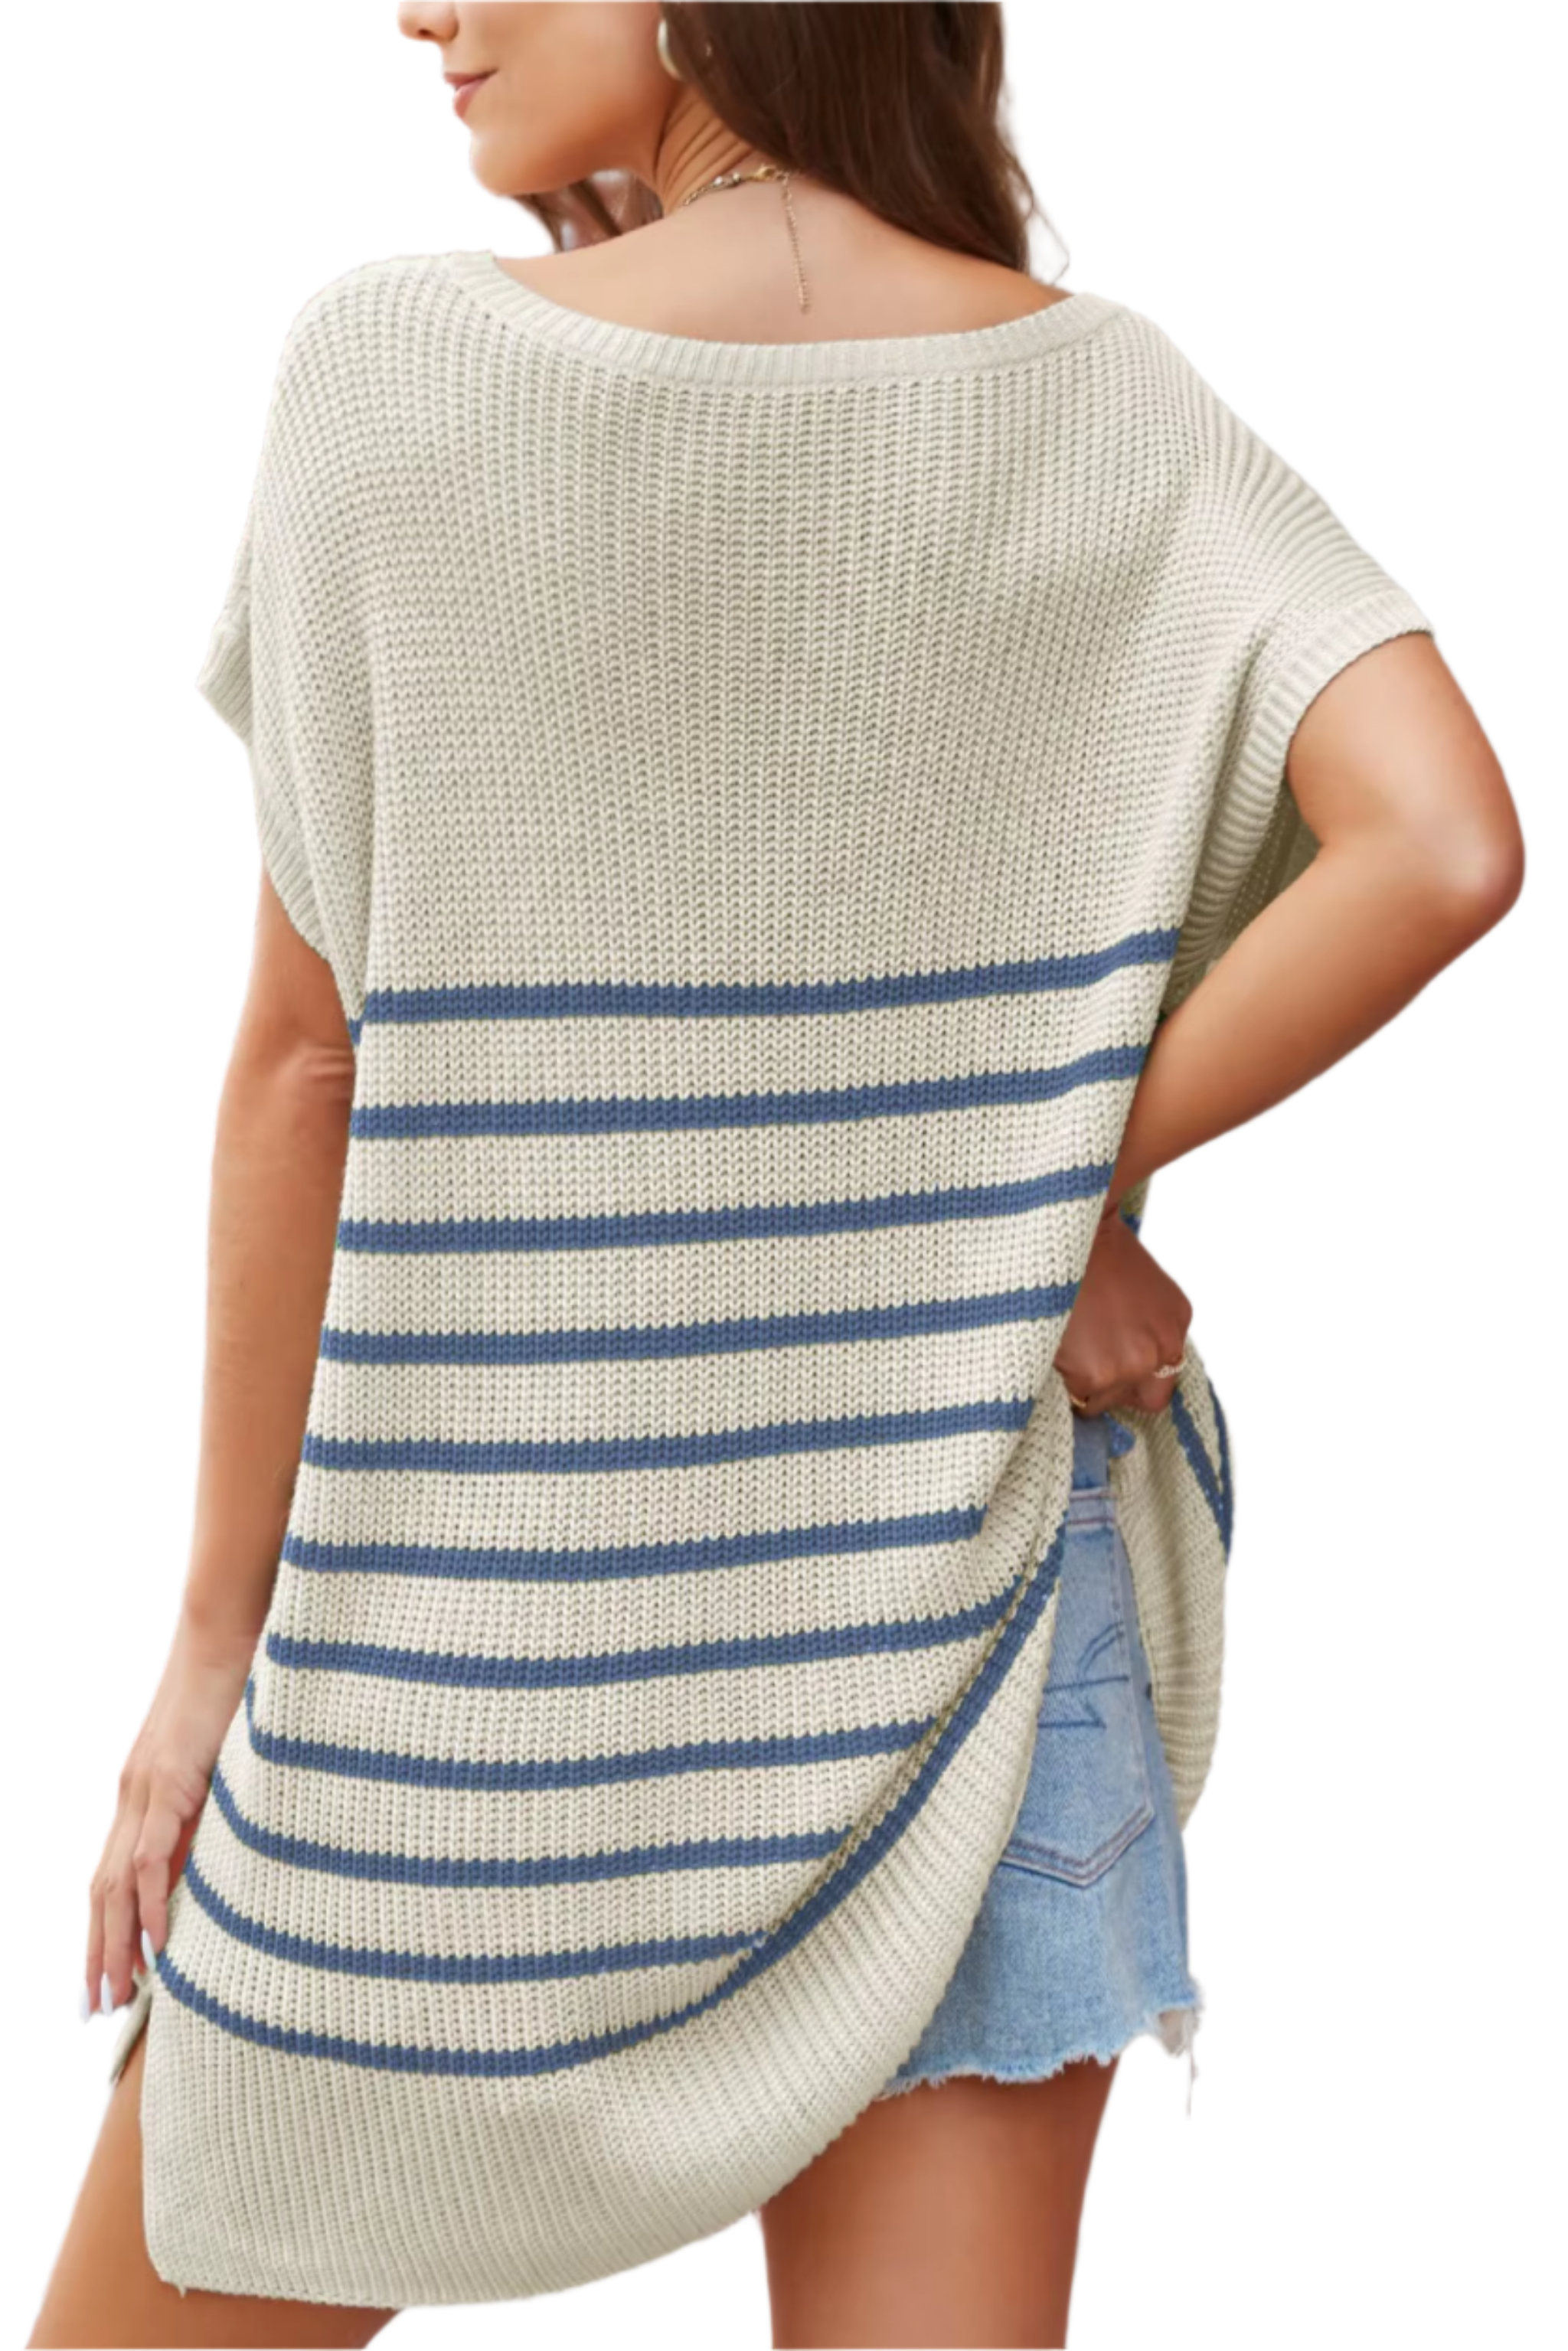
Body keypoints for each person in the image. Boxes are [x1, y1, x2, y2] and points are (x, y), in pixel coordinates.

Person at [29, 5, 1523, 2346]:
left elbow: (308, 1060)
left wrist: (214, 1643)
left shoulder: (400, 376)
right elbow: (1433, 840)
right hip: (971, 1622)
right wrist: (1040, 1184)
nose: (421, 9)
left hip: (494, 1664)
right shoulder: (1109, 398)